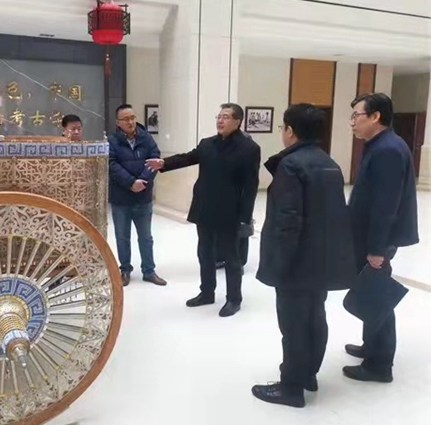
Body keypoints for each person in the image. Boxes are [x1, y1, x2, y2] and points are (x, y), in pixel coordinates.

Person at [250, 103, 357, 408]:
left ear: (290, 131)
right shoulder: (330, 163)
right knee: (314, 317)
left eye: (283, 127)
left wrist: (280, 264)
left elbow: (288, 220)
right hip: (321, 259)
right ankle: (308, 373)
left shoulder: (291, 165)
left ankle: (291, 387)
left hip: (296, 261)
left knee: (294, 325)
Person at [146, 103, 260, 317]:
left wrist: (245, 217)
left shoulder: (249, 148)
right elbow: (189, 157)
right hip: (205, 207)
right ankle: (207, 293)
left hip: (230, 211)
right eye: (219, 116)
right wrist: (164, 163)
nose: (220, 120)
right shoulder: (207, 144)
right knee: (205, 253)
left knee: (231, 257)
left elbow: (251, 185)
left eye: (226, 117)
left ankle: (234, 299)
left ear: (237, 122)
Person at [343, 93, 418, 383]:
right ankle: (371, 346)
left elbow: (385, 205)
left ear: (375, 117)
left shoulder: (388, 149)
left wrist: (377, 249)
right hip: (370, 235)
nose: (352, 122)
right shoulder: (380, 145)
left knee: (377, 294)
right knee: (370, 290)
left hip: (377, 239)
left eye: (356, 116)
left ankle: (380, 365)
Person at [108, 104, 167, 287]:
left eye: (132, 117)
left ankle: (149, 271)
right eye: (126, 119)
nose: (131, 122)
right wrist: (130, 182)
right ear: (118, 122)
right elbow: (111, 165)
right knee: (122, 237)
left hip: (143, 197)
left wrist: (142, 181)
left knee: (146, 237)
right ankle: (125, 270)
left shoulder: (146, 138)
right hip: (121, 199)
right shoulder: (112, 141)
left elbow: (155, 160)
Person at [216, 129, 255, 271]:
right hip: (223, 195)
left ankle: (239, 261)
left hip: (240, 195)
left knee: (241, 230)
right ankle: (222, 258)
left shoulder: (246, 147)